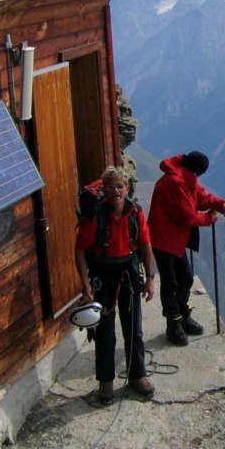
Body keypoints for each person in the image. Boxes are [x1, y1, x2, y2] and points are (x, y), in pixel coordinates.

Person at [75, 165, 157, 404]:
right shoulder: (94, 216)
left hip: (129, 273)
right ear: (104, 190)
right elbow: (80, 250)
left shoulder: (136, 212)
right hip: (103, 274)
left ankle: (137, 375)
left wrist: (150, 279)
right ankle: (106, 382)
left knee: (134, 328)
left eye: (119, 186)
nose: (115, 191)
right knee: (104, 331)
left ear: (127, 188)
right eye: (110, 187)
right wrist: (85, 283)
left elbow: (145, 245)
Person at [148, 151, 225, 346]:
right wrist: (209, 218)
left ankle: (181, 315)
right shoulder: (175, 182)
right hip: (163, 240)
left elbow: (202, 197)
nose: (199, 178)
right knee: (171, 282)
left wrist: (223, 204)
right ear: (195, 171)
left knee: (186, 278)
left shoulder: (186, 177)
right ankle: (174, 324)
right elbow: (186, 216)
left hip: (175, 240)